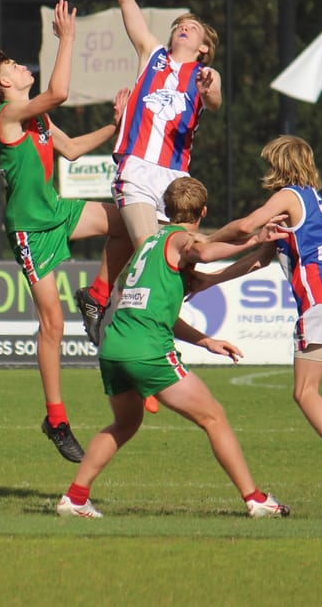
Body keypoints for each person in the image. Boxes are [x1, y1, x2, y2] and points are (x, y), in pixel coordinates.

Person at [56, 176, 290, 519]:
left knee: (124, 424)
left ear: (165, 208)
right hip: (147, 351)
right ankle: (255, 499)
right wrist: (256, 238)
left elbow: (153, 311)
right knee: (214, 417)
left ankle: (74, 499)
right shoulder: (182, 241)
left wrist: (206, 341)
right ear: (203, 211)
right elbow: (206, 251)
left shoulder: (149, 245)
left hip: (114, 346)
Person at [0, 0, 133, 463]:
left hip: (57, 210)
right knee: (53, 324)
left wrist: (112, 125)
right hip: (29, 229)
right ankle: (57, 419)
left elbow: (72, 150)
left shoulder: (36, 115)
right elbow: (60, 92)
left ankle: (97, 295)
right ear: (4, 82)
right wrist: (67, 40)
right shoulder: (7, 116)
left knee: (126, 222)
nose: (23, 68)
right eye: (15, 66)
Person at [197, 135, 322, 519]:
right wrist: (211, 279)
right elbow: (259, 258)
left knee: (304, 392)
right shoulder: (316, 203)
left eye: (270, 163)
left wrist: (204, 241)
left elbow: (248, 226)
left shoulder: (289, 195)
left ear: (281, 166)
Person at [75, 0, 222, 346]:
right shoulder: (152, 55)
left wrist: (211, 84)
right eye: (180, 25)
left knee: (175, 266)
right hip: (137, 169)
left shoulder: (204, 77)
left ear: (204, 48)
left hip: (176, 182)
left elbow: (215, 101)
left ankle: (103, 302)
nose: (183, 29)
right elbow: (126, 0)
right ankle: (139, 344)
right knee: (151, 255)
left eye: (192, 28)